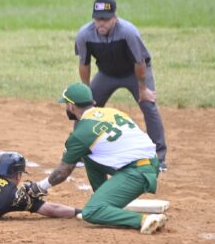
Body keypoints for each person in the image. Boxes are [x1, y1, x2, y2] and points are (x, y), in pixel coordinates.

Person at [27, 82, 167, 235]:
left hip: (138, 173)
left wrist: (39, 187)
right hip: (152, 163)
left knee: (91, 212)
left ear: (72, 106)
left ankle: (142, 220)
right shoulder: (112, 112)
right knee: (89, 156)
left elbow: (62, 172)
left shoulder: (80, 134)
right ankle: (106, 201)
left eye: (66, 104)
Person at [75, 0, 168, 169]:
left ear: (115, 18)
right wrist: (86, 92)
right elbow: (84, 64)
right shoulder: (85, 35)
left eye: (106, 19)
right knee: (84, 107)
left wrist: (143, 89)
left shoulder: (128, 32)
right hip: (107, 73)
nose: (101, 23)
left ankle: (159, 157)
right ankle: (79, 152)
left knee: (148, 104)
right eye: (98, 18)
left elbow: (139, 63)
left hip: (135, 73)